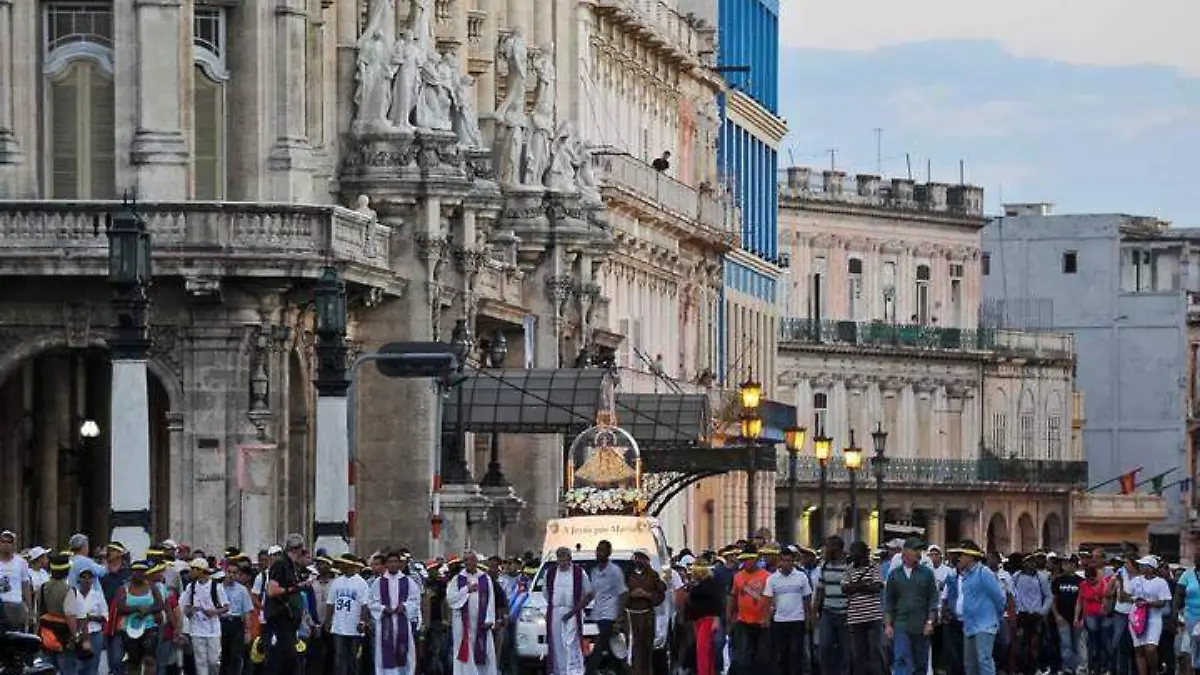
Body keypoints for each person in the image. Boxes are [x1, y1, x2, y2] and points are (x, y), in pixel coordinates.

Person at [947, 541, 1004, 675]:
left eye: (961, 554)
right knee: (969, 663)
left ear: (971, 556)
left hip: (985, 625)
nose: (958, 558)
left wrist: (995, 618)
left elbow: (999, 598)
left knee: (984, 661)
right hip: (969, 625)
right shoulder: (965, 576)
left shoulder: (984, 573)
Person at [884, 538, 939, 675]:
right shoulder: (894, 575)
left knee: (921, 662)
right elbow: (889, 601)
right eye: (915, 550)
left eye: (919, 550)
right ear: (906, 552)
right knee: (901, 658)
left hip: (921, 624)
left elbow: (933, 599)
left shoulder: (926, 573)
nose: (918, 553)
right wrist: (888, 624)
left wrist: (930, 622)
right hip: (901, 623)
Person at [542, 546, 594, 675]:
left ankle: (574, 671)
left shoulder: (579, 572)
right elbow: (546, 593)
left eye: (565, 560)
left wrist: (577, 609)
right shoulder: (550, 573)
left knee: (571, 643)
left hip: (573, 612)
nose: (562, 563)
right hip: (555, 612)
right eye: (560, 560)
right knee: (557, 642)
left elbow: (589, 593)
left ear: (570, 559)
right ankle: (559, 671)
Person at [369, 549, 421, 675]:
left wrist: (405, 606)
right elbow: (371, 601)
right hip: (385, 623)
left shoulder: (408, 581)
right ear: (386, 564)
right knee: (384, 651)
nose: (393, 564)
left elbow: (415, 600)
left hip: (402, 621)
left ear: (399, 564)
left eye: (395, 562)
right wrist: (382, 609)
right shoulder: (378, 582)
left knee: (405, 651)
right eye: (390, 562)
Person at [264, 534, 310, 674]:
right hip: (280, 619)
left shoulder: (292, 566)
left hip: (290, 621)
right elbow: (271, 590)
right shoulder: (280, 564)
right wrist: (295, 588)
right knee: (284, 659)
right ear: (298, 549)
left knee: (289, 660)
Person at [447, 551, 497, 675]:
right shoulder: (457, 579)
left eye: (471, 560)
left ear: (476, 561)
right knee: (465, 651)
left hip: (481, 623)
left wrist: (489, 619)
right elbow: (451, 599)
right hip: (463, 624)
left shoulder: (485, 578)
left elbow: (491, 599)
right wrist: (466, 590)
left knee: (485, 651)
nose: (469, 562)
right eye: (466, 560)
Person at [764, 546, 812, 675]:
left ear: (793, 561)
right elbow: (768, 601)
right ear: (780, 561)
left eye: (789, 561)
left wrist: (808, 620)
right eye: (784, 561)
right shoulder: (772, 579)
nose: (787, 564)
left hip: (797, 620)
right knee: (781, 655)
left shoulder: (801, 577)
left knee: (796, 654)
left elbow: (807, 600)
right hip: (779, 621)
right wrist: (767, 619)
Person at [114, 560, 165, 675]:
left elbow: (160, 605)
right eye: (137, 571)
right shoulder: (124, 588)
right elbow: (120, 608)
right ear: (132, 572)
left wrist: (149, 610)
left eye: (143, 571)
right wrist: (136, 608)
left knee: (149, 659)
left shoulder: (152, 587)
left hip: (149, 627)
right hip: (129, 629)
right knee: (133, 661)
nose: (140, 574)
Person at [843, 541, 886, 675]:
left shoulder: (874, 567)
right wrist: (864, 585)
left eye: (856, 555)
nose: (854, 557)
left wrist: (855, 587)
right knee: (858, 654)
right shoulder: (849, 569)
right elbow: (844, 588)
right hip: (855, 618)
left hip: (873, 616)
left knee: (875, 651)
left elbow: (877, 587)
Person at [182, 558, 231, 675]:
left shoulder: (216, 586)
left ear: (200, 570)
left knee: (214, 661)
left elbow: (226, 606)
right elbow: (185, 606)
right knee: (200, 662)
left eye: (193, 569)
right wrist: (190, 610)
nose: (190, 572)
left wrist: (214, 612)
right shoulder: (191, 587)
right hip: (196, 629)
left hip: (213, 629)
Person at [729, 546, 771, 675]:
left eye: (751, 559)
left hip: (762, 622)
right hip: (743, 621)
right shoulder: (737, 577)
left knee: (762, 656)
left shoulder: (767, 576)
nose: (748, 562)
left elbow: (771, 599)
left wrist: (768, 617)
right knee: (744, 655)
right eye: (745, 559)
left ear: (757, 559)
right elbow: (733, 597)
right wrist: (730, 618)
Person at [586, 540, 627, 674]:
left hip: (610, 615)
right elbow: (592, 593)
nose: (599, 553)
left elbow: (622, 594)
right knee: (611, 650)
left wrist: (619, 619)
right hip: (597, 614)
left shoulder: (615, 571)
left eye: (602, 550)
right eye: (598, 550)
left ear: (609, 553)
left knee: (598, 649)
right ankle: (623, 671)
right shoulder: (594, 572)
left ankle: (588, 672)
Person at [625, 549, 667, 675]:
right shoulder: (626, 574)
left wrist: (647, 595)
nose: (638, 561)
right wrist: (631, 595)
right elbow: (619, 593)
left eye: (641, 558)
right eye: (636, 558)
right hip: (630, 617)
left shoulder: (652, 575)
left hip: (647, 616)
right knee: (632, 649)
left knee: (646, 649)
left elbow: (660, 593)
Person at [327, 554, 371, 675]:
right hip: (338, 626)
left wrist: (362, 621)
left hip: (354, 626)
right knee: (339, 657)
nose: (341, 566)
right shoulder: (336, 582)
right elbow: (330, 603)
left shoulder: (361, 583)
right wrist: (328, 621)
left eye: (344, 564)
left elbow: (365, 605)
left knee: (354, 658)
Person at [1128, 556, 1171, 675]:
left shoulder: (1161, 582)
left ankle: (1154, 670)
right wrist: (1134, 599)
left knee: (1150, 649)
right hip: (1137, 618)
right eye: (1140, 565)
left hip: (1153, 619)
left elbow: (1163, 602)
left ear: (1151, 568)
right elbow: (1126, 596)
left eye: (1143, 565)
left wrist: (1148, 603)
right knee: (1139, 650)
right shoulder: (1136, 580)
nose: (1140, 567)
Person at [815, 536, 852, 675]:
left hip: (845, 613)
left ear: (836, 548)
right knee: (824, 647)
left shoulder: (849, 565)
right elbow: (820, 589)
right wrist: (814, 611)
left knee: (846, 650)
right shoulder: (825, 565)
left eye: (828, 546)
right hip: (828, 612)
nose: (825, 549)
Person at [66, 566, 109, 675]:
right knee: (77, 666)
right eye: (84, 577)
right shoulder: (74, 595)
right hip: (78, 635)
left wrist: (90, 617)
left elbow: (105, 616)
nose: (86, 580)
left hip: (94, 633)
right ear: (79, 580)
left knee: (92, 666)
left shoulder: (98, 595)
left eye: (89, 578)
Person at [685, 564, 724, 675]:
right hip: (698, 619)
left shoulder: (710, 585)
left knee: (702, 650)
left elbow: (717, 602)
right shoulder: (700, 584)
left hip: (707, 618)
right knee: (706, 650)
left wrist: (716, 618)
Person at [221, 564, 255, 675]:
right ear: (225, 572)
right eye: (229, 572)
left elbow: (247, 611)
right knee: (222, 655)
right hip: (222, 622)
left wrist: (248, 631)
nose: (231, 575)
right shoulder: (218, 588)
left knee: (235, 656)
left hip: (236, 623)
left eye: (234, 573)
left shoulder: (242, 590)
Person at [1051, 556, 1082, 675]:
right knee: (1065, 643)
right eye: (1066, 564)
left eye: (1070, 564)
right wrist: (1057, 615)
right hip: (1062, 617)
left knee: (1077, 644)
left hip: (1076, 617)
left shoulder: (1080, 581)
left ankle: (1076, 667)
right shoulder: (1058, 581)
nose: (1068, 566)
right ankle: (1067, 667)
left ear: (1075, 565)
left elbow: (1082, 601)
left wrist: (1081, 617)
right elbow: (1053, 600)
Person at [0, 529, 31, 632]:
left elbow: (25, 585)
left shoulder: (21, 562)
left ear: (14, 545)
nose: (6, 545)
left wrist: (29, 609)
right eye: (3, 541)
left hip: (15, 605)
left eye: (9, 542)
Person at [1174, 552, 1200, 675]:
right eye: (1196, 558)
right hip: (1191, 618)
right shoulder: (1187, 575)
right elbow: (1178, 596)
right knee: (1189, 650)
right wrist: (1176, 615)